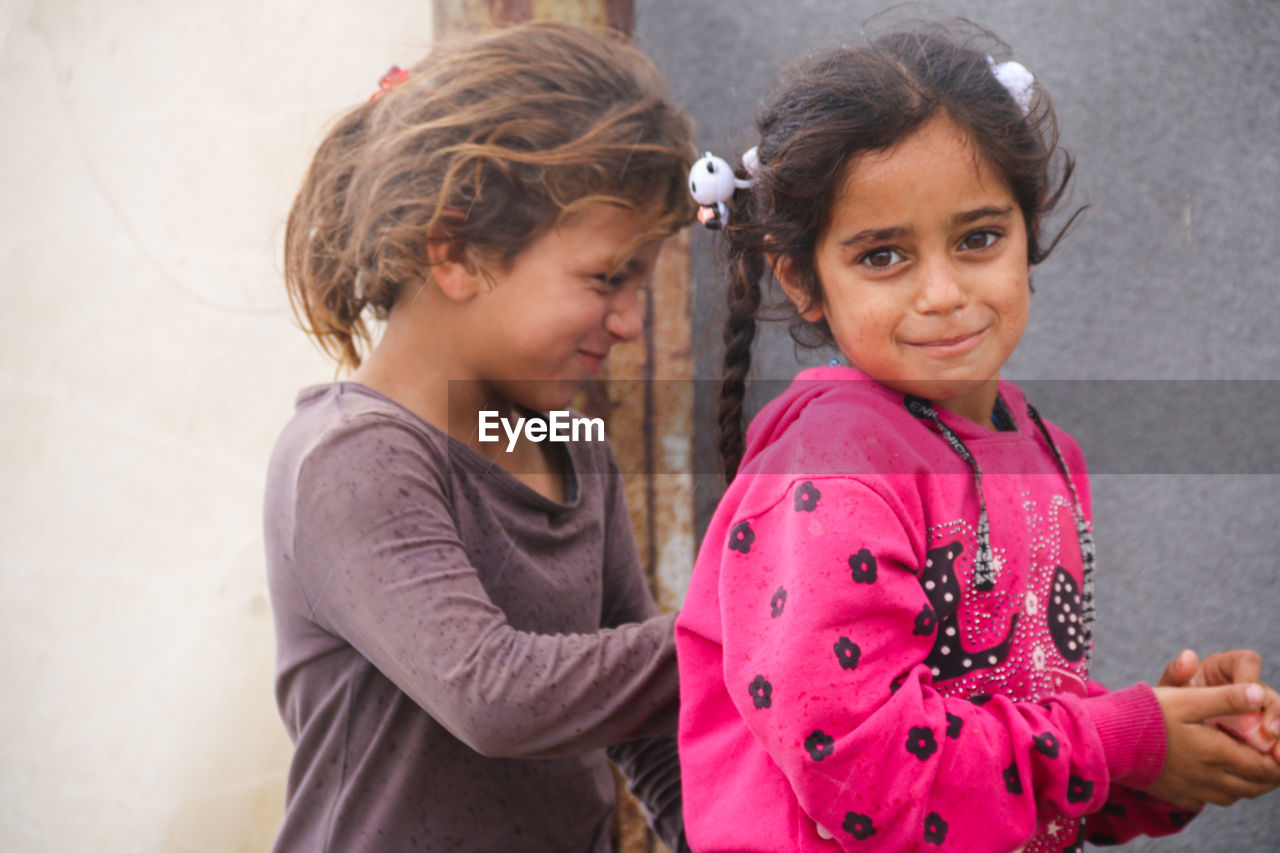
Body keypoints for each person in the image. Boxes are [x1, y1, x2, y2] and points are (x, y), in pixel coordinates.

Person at [674, 20, 1280, 852]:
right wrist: (1123, 739)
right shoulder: (832, 471)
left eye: (979, 238)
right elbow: (870, 775)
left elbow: (1005, 748)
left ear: (1028, 231)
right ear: (803, 278)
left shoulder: (1044, 450)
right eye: (883, 255)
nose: (942, 291)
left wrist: (1172, 747)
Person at [265, 21, 696, 852]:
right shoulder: (357, 457)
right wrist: (755, 622)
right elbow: (495, 697)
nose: (632, 324)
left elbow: (645, 720)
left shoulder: (569, 443)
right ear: (458, 251)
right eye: (608, 279)